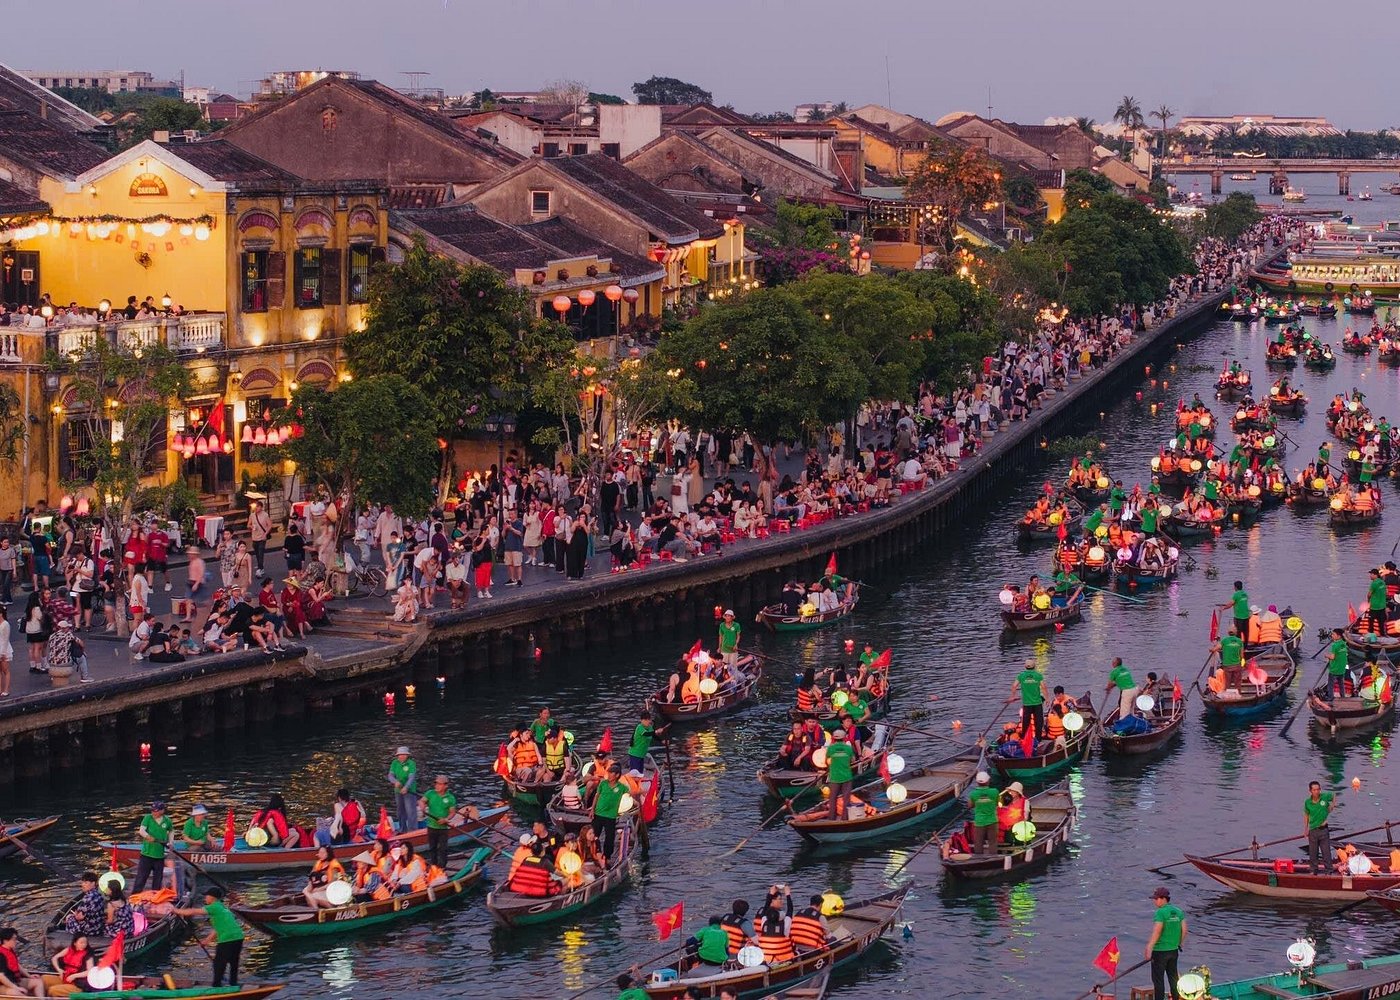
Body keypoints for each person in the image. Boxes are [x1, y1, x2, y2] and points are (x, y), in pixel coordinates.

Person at [175, 886, 244, 987]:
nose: (205, 898)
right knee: (234, 962)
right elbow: (218, 928)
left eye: (206, 896)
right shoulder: (222, 907)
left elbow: (193, 911)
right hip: (238, 937)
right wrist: (207, 941)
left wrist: (176, 911)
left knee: (219, 964)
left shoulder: (214, 907)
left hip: (227, 939)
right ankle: (233, 984)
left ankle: (217, 986)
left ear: (212, 898)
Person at [418, 774, 470, 872]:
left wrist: (446, 819)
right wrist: (422, 806)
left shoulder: (450, 798)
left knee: (443, 849)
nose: (436, 786)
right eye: (436, 783)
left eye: (439, 784)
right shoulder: (430, 793)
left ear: (445, 786)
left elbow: (452, 812)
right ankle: (433, 866)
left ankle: (442, 868)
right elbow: (422, 801)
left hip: (443, 828)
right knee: (432, 848)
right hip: (431, 826)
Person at [1145, 887, 1186, 1000]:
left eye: (1156, 898)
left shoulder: (1160, 912)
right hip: (1173, 951)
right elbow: (1184, 930)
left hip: (1160, 951)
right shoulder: (1178, 911)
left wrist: (1149, 947)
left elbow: (1157, 931)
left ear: (1163, 899)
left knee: (1158, 980)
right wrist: (1179, 943)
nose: (1154, 901)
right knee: (1173, 978)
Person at [131, 800, 172, 895]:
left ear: (162, 811)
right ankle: (134, 897)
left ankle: (155, 897)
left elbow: (171, 831)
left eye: (156, 811)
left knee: (157, 880)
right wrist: (148, 836)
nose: (153, 813)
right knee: (141, 878)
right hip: (147, 854)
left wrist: (170, 842)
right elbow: (141, 831)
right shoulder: (148, 818)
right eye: (152, 810)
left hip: (159, 856)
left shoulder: (167, 821)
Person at [591, 764, 626, 862]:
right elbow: (597, 796)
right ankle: (594, 853)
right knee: (594, 835)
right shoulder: (603, 784)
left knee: (609, 837)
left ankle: (607, 856)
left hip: (611, 816)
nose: (609, 775)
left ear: (617, 775)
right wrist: (592, 809)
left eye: (611, 773)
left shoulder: (622, 787)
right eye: (609, 773)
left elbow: (629, 795)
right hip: (598, 813)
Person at [0, 927, 44, 998]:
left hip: (15, 980)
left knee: (38, 982)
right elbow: (1, 976)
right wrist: (16, 988)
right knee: (17, 993)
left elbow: (16, 965)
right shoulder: (1, 954)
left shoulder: (10, 950)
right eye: (14, 939)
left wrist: (29, 976)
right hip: (3, 985)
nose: (16, 941)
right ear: (5, 940)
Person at [1010, 658, 1048, 740]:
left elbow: (1014, 686)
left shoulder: (1021, 676)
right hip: (1037, 703)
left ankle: (1024, 739)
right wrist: (1047, 699)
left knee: (1026, 723)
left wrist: (1013, 696)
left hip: (1027, 704)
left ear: (1025, 666)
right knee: (1039, 723)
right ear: (1034, 666)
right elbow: (1044, 687)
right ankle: (1038, 740)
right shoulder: (1038, 675)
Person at [823, 727, 856, 819]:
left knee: (832, 799)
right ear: (844, 738)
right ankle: (844, 818)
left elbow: (826, 761)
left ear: (834, 738)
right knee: (846, 799)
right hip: (846, 777)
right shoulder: (848, 748)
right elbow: (853, 760)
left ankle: (832, 818)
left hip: (834, 777)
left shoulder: (831, 748)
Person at [1304, 780, 1335, 876]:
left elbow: (1334, 795)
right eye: (1314, 790)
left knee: (1326, 852)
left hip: (1324, 830)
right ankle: (1314, 870)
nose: (1316, 791)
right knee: (1313, 853)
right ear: (1310, 791)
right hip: (1313, 830)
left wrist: (1331, 807)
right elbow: (1306, 815)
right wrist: (1306, 828)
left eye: (1318, 789)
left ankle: (1329, 871)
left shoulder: (1324, 797)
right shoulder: (1307, 802)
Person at [303, 845, 348, 909]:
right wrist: (310, 888)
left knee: (314, 895)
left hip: (333, 890)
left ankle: (328, 909)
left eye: (323, 853)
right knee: (306, 891)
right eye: (319, 852)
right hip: (320, 887)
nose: (320, 854)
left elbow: (333, 883)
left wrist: (318, 889)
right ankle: (316, 910)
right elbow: (311, 877)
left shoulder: (334, 866)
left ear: (328, 854)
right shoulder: (318, 863)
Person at [967, 771, 1000, 855]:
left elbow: (970, 805)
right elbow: (997, 803)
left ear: (977, 782)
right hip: (992, 821)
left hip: (979, 822)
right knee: (992, 842)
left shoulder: (973, 794)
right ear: (988, 781)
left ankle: (978, 858)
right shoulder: (994, 791)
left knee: (978, 842)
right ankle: (993, 858)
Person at [388, 746, 418, 834]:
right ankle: (402, 829)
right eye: (400, 755)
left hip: (409, 791)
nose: (402, 756)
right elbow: (390, 775)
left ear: (407, 755)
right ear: (398, 755)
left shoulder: (411, 763)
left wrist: (406, 787)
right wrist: (395, 781)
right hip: (398, 790)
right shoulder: (394, 763)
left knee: (410, 810)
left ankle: (412, 830)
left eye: (404, 754)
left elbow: (411, 777)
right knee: (400, 810)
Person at [1325, 628, 1350, 701]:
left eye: (1333, 634)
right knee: (1341, 684)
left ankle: (1330, 698)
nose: (1332, 635)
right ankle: (1343, 696)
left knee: (1330, 685)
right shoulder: (1344, 644)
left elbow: (1332, 657)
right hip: (1342, 668)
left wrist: (1326, 655)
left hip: (1334, 669)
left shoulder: (1335, 645)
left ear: (1338, 636)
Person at [627, 709, 656, 774]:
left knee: (640, 772)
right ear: (641, 720)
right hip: (635, 754)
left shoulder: (650, 727)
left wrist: (662, 740)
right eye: (645, 720)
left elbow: (653, 735)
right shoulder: (640, 727)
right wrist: (656, 732)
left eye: (648, 720)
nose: (647, 722)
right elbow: (646, 734)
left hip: (642, 754)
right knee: (634, 773)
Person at [1366, 567, 1390, 634]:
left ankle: (1371, 635)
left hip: (1374, 606)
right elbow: (1386, 593)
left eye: (1371, 574)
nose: (1370, 576)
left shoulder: (1374, 583)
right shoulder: (1383, 582)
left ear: (1375, 575)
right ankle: (1382, 634)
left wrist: (1368, 601)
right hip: (1382, 605)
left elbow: (1369, 594)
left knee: (1371, 622)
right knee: (1381, 623)